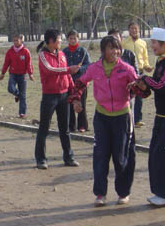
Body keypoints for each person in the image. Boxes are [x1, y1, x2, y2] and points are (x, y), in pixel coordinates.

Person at [70, 35, 138, 206]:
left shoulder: (127, 69)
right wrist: (76, 100)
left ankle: (123, 192)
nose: (115, 51)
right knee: (100, 156)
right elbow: (79, 83)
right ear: (103, 50)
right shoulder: (94, 68)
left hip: (122, 118)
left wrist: (137, 87)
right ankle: (100, 194)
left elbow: (141, 90)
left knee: (121, 157)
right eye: (111, 48)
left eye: (117, 48)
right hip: (102, 118)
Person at [132, 28, 165, 207]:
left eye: (155, 42)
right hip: (161, 115)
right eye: (152, 42)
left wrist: (145, 79)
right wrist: (142, 85)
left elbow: (162, 85)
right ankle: (159, 192)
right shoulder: (161, 60)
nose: (152, 45)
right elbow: (155, 87)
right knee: (155, 153)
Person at [34, 28, 80, 169]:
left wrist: (74, 90)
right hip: (49, 96)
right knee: (44, 128)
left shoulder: (61, 54)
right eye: (59, 39)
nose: (61, 41)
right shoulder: (43, 55)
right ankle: (41, 159)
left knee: (65, 129)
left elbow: (67, 75)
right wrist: (68, 69)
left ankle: (69, 157)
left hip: (64, 95)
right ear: (51, 41)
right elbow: (50, 70)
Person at [122, 21, 153, 126]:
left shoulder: (143, 43)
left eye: (136, 28)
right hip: (128, 73)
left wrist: (147, 66)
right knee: (129, 95)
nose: (134, 30)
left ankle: (138, 119)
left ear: (139, 30)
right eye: (132, 28)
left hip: (140, 72)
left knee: (139, 96)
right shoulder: (124, 42)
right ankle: (127, 117)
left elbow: (145, 57)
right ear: (128, 30)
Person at [0, 34, 34, 119]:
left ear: (21, 40)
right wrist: (3, 73)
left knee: (23, 95)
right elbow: (6, 63)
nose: (15, 42)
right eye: (14, 40)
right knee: (10, 89)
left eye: (17, 40)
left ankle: (22, 113)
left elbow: (29, 63)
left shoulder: (26, 51)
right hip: (13, 74)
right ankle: (17, 95)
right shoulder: (10, 51)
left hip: (23, 75)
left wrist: (30, 74)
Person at [62, 30, 91, 132]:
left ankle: (82, 126)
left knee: (81, 103)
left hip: (81, 82)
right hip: (68, 82)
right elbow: (61, 65)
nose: (73, 40)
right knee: (69, 104)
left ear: (78, 38)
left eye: (75, 38)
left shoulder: (83, 51)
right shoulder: (64, 52)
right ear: (67, 39)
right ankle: (71, 126)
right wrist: (69, 69)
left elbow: (88, 65)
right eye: (71, 38)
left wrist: (79, 69)